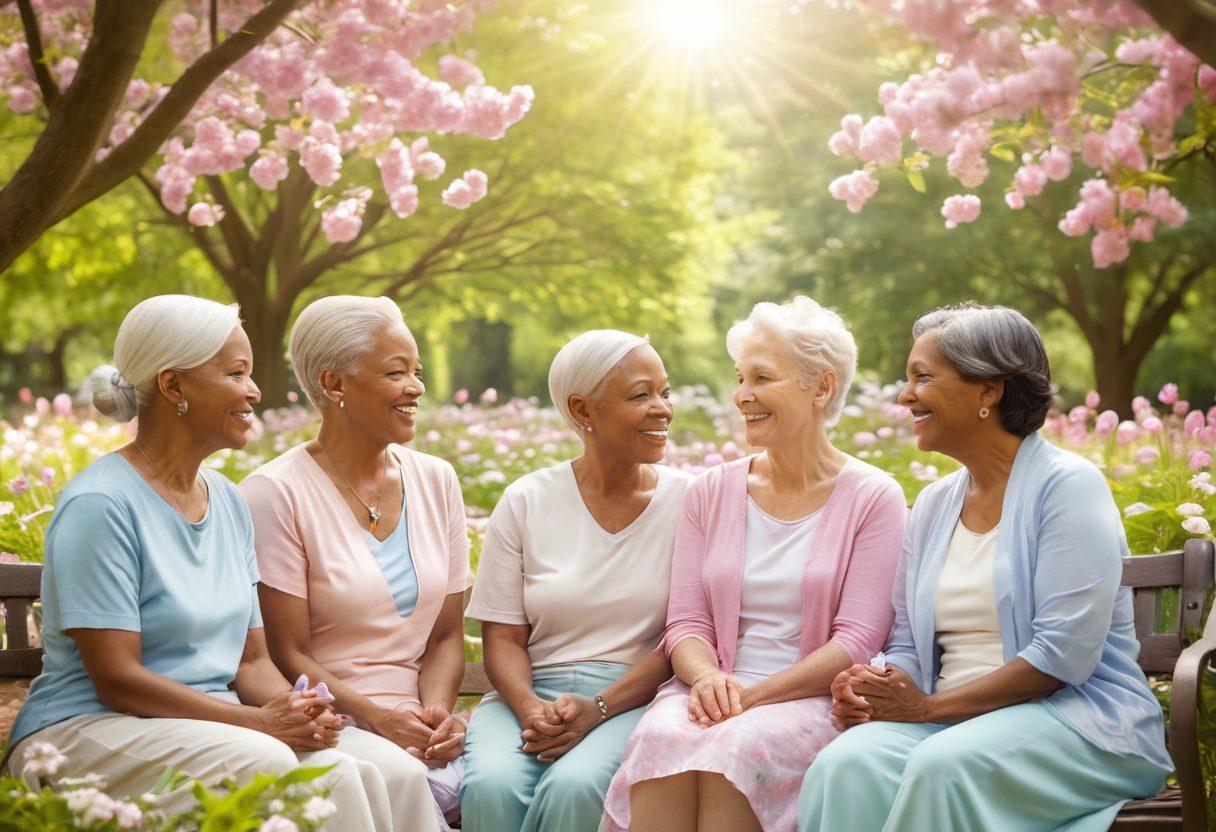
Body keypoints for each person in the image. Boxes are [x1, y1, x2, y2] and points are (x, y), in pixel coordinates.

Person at [4, 295, 391, 829]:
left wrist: (300, 712)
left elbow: (251, 661)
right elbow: (118, 678)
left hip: (209, 726)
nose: (254, 391)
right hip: (87, 731)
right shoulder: (101, 504)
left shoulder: (228, 500)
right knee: (272, 764)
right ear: (173, 385)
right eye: (236, 373)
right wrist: (258, 723)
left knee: (360, 770)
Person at [798, 303, 1173, 832]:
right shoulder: (931, 505)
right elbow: (907, 642)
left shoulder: (1069, 487)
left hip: (1078, 721)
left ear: (988, 391)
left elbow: (1061, 658)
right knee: (845, 765)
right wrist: (876, 688)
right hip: (949, 719)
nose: (904, 396)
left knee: (944, 768)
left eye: (922, 377)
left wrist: (926, 710)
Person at [603, 296, 908, 832]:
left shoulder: (873, 496)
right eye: (740, 378)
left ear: (823, 386)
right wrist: (707, 681)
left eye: (762, 378)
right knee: (662, 734)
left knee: (738, 744)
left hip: (808, 699)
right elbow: (687, 623)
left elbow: (857, 640)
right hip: (712, 690)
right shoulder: (711, 491)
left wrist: (752, 695)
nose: (742, 396)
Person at [242, 296, 469, 832]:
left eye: (417, 371)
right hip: (330, 722)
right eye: (396, 372)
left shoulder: (437, 480)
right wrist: (379, 719)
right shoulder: (275, 493)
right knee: (405, 782)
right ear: (335, 384)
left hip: (416, 726)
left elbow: (446, 636)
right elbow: (285, 652)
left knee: (507, 782)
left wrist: (435, 713)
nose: (415, 387)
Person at [459, 330, 693, 832]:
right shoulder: (527, 499)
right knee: (490, 786)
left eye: (665, 392)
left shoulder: (691, 502)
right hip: (527, 694)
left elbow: (685, 635)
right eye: (640, 395)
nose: (662, 408)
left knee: (577, 786)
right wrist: (529, 708)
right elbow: (502, 637)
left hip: (637, 698)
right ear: (582, 410)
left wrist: (600, 706)